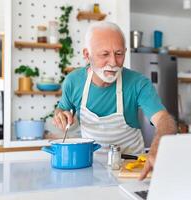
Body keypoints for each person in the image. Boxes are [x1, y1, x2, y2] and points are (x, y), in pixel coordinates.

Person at [52, 21, 177, 179]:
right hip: (90, 168)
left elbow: (165, 120)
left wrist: (159, 146)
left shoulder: (138, 83)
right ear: (86, 54)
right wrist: (60, 115)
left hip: (131, 170)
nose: (113, 62)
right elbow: (62, 108)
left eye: (119, 54)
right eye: (104, 54)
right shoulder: (73, 81)